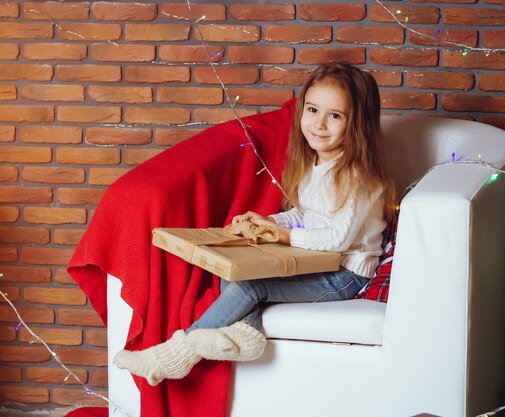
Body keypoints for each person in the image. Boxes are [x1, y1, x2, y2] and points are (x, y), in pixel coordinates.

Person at [114, 62, 396, 386]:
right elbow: (306, 214)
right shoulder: (318, 162)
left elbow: (336, 239)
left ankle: (176, 353)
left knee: (252, 285)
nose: (319, 123)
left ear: (357, 124)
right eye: (313, 109)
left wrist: (284, 235)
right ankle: (249, 336)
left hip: (346, 274)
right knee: (232, 271)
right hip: (321, 260)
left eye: (335, 116)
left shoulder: (358, 178)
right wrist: (268, 221)